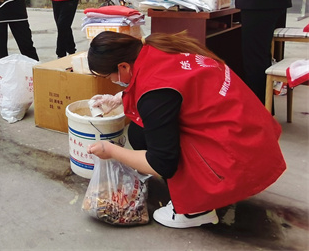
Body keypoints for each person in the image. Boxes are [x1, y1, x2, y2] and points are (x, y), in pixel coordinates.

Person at [86, 31, 286, 229]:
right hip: (252, 132)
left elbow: (161, 163)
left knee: (148, 142)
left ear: (123, 66)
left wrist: (110, 150)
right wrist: (119, 98)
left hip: (239, 156)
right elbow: (170, 89)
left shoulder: (154, 92)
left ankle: (196, 211)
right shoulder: (156, 47)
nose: (111, 81)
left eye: (108, 76)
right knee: (139, 131)